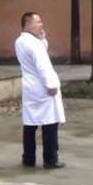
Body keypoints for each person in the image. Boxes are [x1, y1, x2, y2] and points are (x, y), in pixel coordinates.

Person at [15, 12, 65, 169]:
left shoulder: (21, 41)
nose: (41, 24)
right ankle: (50, 159)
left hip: (30, 87)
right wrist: (51, 85)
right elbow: (43, 65)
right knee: (49, 124)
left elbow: (39, 53)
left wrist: (42, 38)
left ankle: (28, 158)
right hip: (42, 87)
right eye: (38, 22)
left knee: (30, 124)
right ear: (28, 24)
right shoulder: (33, 43)